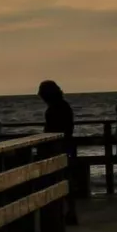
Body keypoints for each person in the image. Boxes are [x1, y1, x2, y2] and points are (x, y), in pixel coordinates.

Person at [38, 79, 80, 220]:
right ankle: (70, 211)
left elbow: (52, 129)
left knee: (56, 179)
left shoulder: (54, 109)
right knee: (67, 178)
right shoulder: (64, 106)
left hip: (57, 147)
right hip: (67, 145)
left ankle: (58, 211)